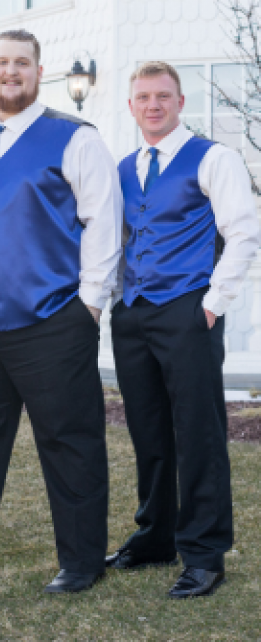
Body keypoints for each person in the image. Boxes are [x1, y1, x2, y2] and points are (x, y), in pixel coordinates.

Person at [0, 30, 122, 593]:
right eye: (2, 62)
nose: (11, 72)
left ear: (41, 72)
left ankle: (82, 561)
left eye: (23, 63)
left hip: (52, 321)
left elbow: (103, 224)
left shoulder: (75, 139)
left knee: (70, 440)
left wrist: (88, 305)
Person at [107, 61, 260, 598]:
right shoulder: (124, 167)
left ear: (179, 102)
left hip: (188, 310)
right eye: (143, 97)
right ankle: (156, 537)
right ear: (131, 106)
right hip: (133, 312)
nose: (153, 105)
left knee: (197, 432)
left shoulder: (212, 157)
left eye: (163, 96)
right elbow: (118, 237)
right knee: (148, 432)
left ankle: (204, 554)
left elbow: (243, 232)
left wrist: (213, 304)